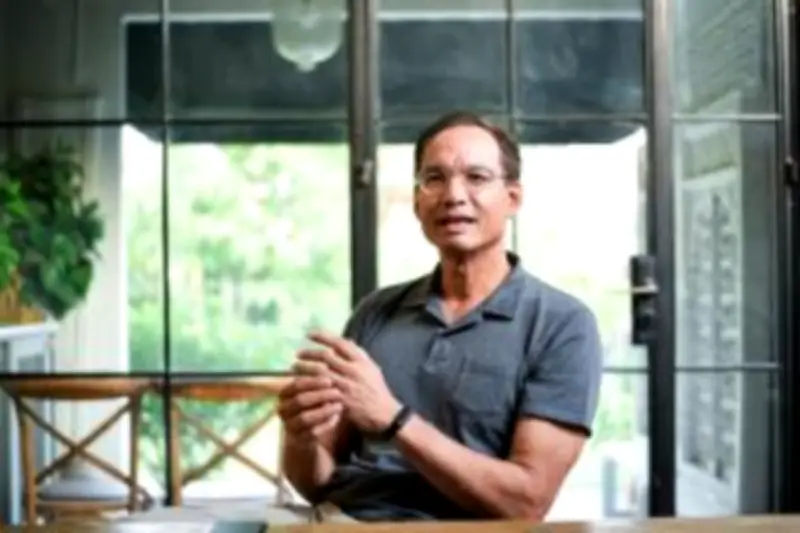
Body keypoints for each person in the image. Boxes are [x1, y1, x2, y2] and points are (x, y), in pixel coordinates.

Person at [277, 111, 603, 522]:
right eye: (435, 178)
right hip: (343, 522)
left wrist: (394, 420)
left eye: (477, 177)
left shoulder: (563, 325)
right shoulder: (375, 311)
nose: (453, 195)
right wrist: (301, 436)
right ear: (418, 202)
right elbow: (316, 483)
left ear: (513, 198)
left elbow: (525, 503)